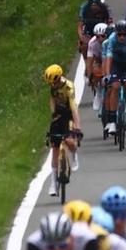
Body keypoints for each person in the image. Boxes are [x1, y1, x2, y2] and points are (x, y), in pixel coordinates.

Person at [42, 64, 82, 192]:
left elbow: (74, 109)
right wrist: (53, 113)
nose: (51, 85)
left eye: (52, 82)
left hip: (69, 114)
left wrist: (78, 127)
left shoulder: (68, 87)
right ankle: (53, 184)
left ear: (59, 79)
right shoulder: (53, 86)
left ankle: (74, 154)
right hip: (59, 115)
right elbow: (52, 99)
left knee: (70, 141)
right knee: (54, 149)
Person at [101, 20, 126, 135]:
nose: (122, 37)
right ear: (116, 33)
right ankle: (112, 121)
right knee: (115, 86)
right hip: (116, 65)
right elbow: (108, 58)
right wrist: (107, 75)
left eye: (125, 34)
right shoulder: (112, 39)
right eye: (120, 34)